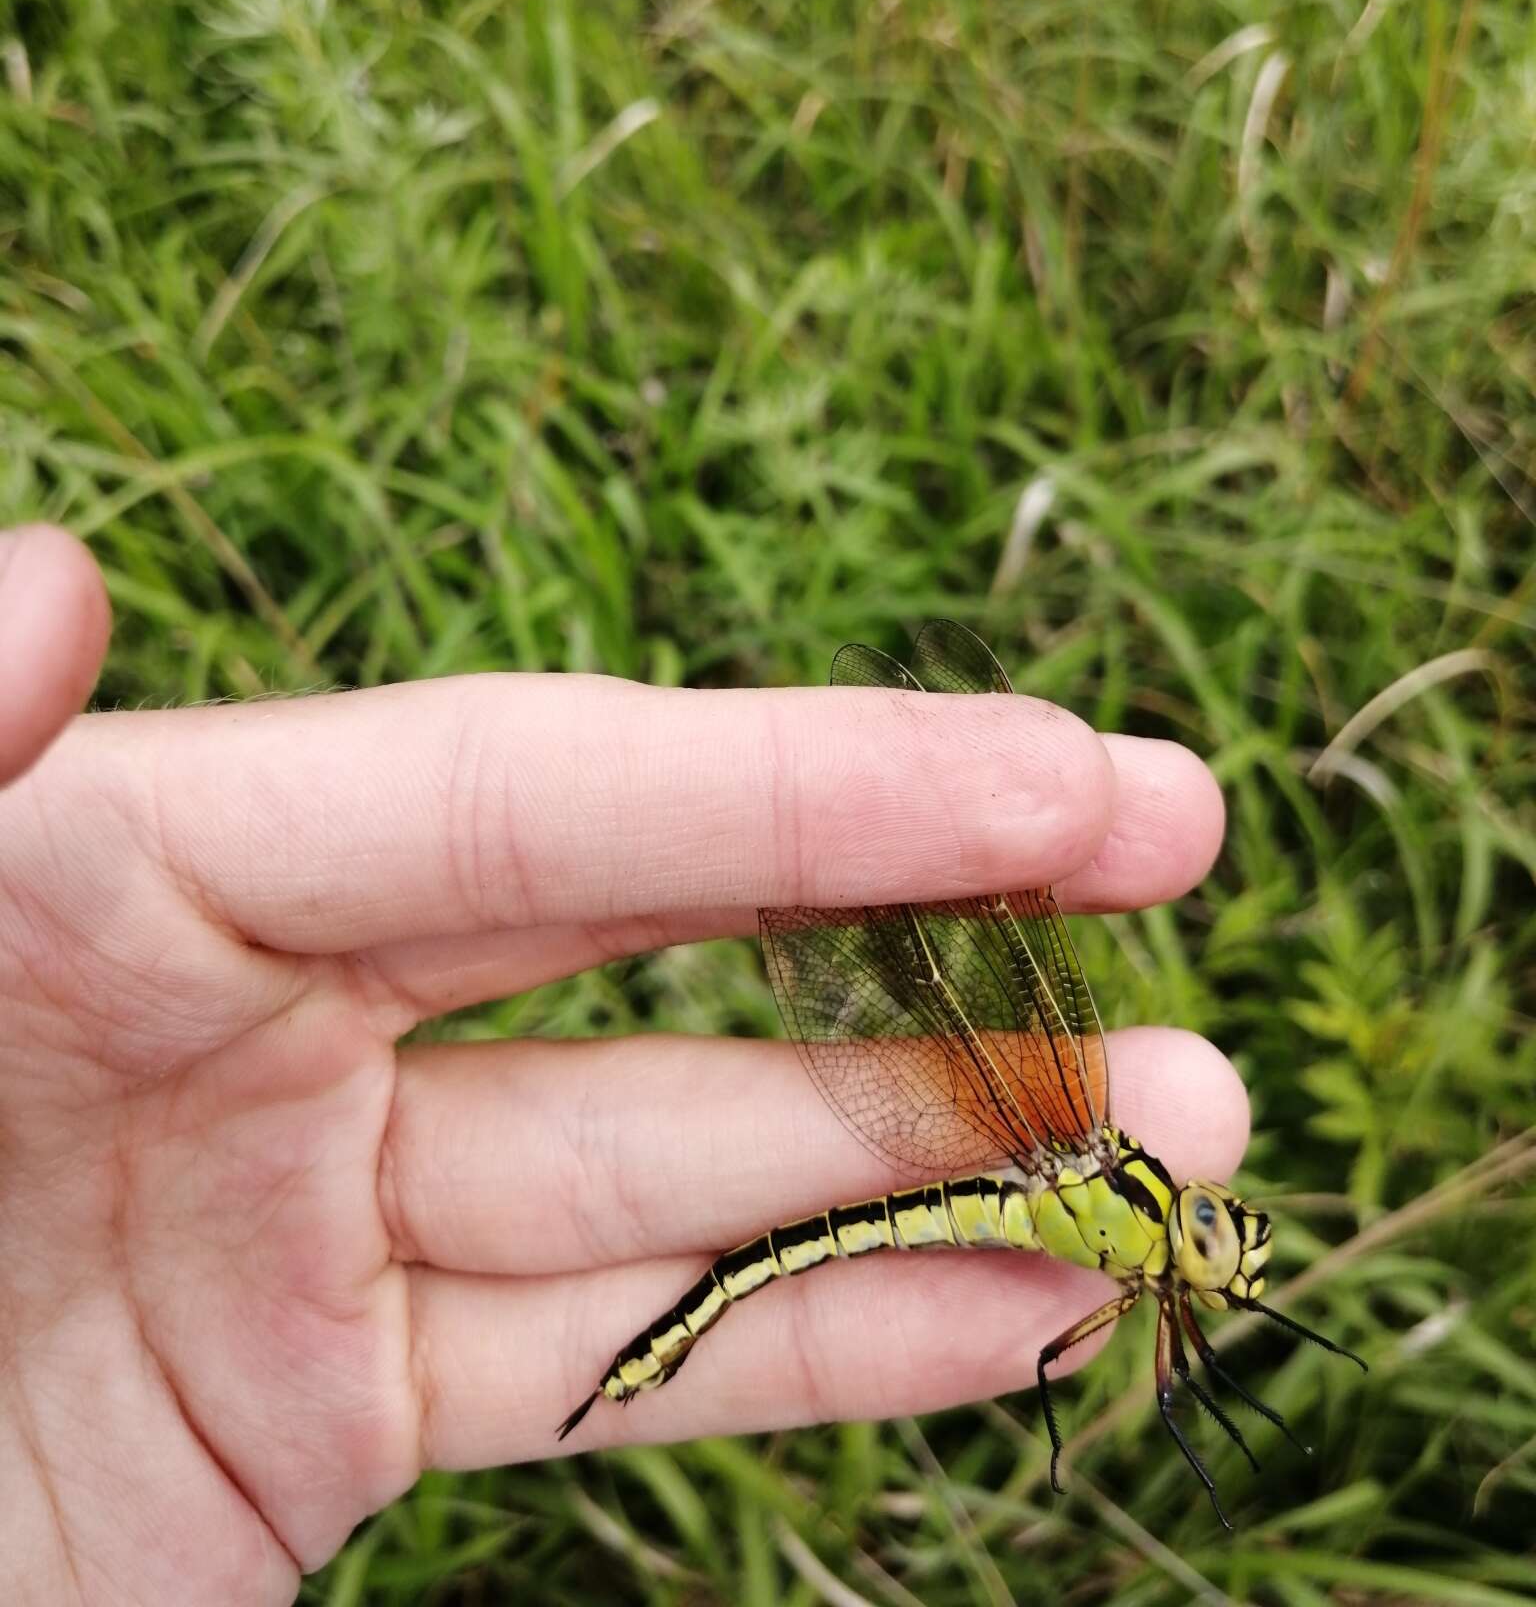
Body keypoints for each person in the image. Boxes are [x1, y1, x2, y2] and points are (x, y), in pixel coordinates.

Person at [0, 523, 1242, 1602]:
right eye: (1206, 1234)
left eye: (1213, 1246)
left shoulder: (1141, 1262)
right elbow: (1065, 1352)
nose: (1208, 1254)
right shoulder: (1107, 1185)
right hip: (990, 1176)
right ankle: (670, 1330)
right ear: (1169, 1220)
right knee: (785, 1264)